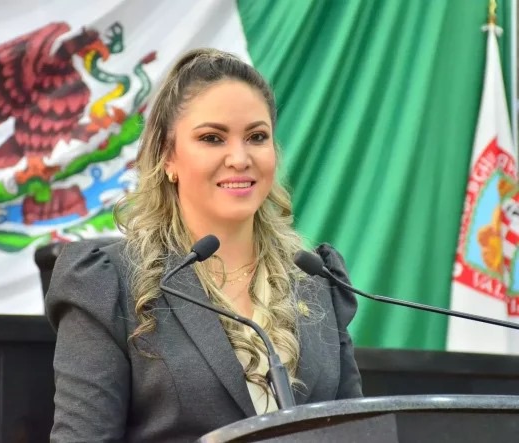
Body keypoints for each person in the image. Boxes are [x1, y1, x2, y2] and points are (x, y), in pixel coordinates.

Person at [45, 48, 362, 443]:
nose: (239, 158)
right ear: (168, 158)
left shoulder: (315, 278)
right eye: (212, 138)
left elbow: (358, 433)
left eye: (256, 137)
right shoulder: (107, 284)